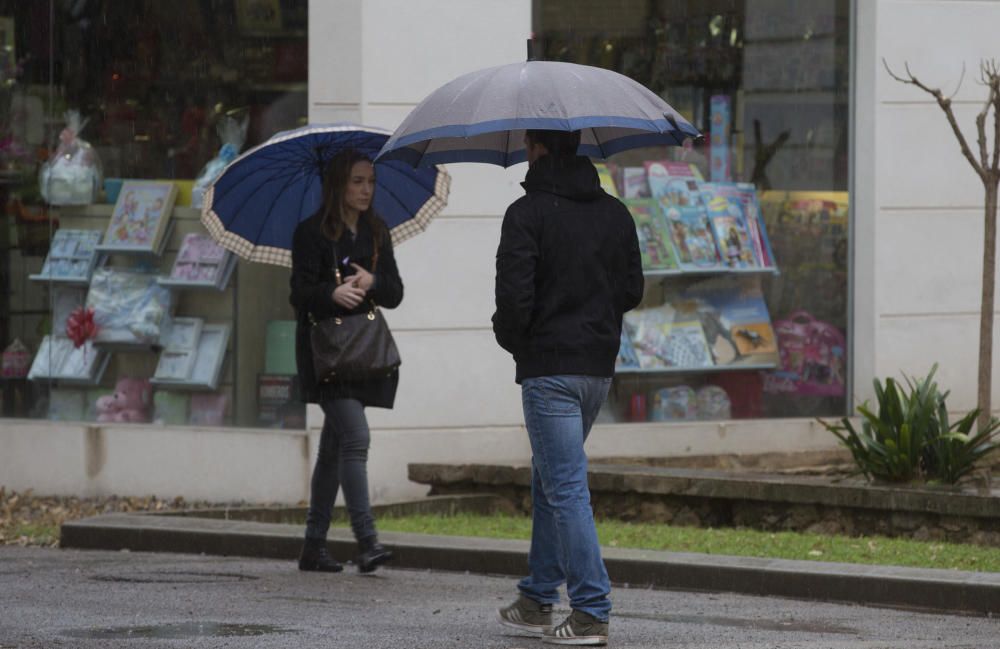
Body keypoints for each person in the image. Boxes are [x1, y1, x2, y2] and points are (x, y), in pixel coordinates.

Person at [493, 129, 644, 646]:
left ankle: (590, 610)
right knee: (550, 479)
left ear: (536, 149)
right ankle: (537, 597)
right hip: (597, 368)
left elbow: (513, 299)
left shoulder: (526, 214)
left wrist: (517, 342)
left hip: (550, 369)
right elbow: (632, 290)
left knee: (565, 487)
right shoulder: (616, 214)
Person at [289, 148, 403, 574]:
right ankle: (367, 540)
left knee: (334, 447)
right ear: (338, 185)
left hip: (364, 352)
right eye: (357, 181)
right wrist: (330, 293)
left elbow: (395, 293)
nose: (366, 189)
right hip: (326, 354)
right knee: (355, 438)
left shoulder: (376, 231)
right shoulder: (311, 233)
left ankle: (313, 546)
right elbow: (298, 293)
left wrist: (373, 281)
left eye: (371, 182)